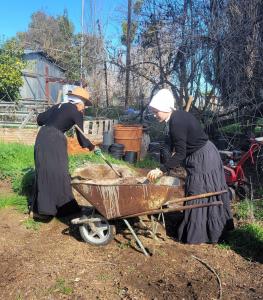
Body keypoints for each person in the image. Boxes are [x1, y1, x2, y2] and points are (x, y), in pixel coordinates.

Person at [147, 89, 234, 244]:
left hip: (203, 158)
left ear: (166, 109)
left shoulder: (176, 122)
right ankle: (209, 230)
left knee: (200, 192)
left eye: (156, 112)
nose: (154, 115)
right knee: (202, 192)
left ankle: (205, 234)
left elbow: (180, 153)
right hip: (204, 153)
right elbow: (175, 142)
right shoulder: (177, 117)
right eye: (153, 112)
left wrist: (161, 169)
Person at [31, 86, 101, 219]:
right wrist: (92, 147)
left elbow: (40, 120)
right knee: (60, 172)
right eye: (84, 106)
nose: (84, 109)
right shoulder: (76, 112)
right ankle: (58, 209)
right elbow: (81, 138)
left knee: (45, 171)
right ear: (79, 102)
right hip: (54, 139)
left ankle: (43, 209)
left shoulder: (59, 106)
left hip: (42, 136)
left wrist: (54, 114)